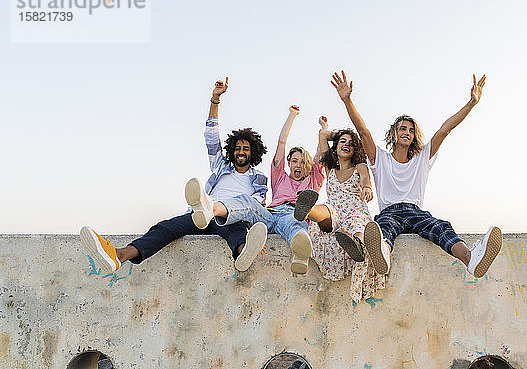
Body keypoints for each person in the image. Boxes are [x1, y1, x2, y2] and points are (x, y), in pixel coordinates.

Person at [80, 77, 269, 274]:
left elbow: (253, 207)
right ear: (232, 151)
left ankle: (244, 252)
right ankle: (118, 256)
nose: (240, 152)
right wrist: (215, 99)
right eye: (237, 148)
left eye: (245, 149)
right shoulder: (221, 167)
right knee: (166, 228)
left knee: (236, 229)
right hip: (200, 216)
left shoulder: (259, 180)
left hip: (228, 219)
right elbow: (211, 137)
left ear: (253, 153)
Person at [330, 70, 502, 278]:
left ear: (414, 136)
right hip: (390, 212)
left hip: (415, 212)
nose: (407, 132)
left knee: (441, 228)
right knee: (382, 228)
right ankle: (383, 253)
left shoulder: (422, 158)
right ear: (394, 133)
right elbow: (363, 131)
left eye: (411, 130)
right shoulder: (379, 159)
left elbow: (444, 130)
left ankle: (470, 259)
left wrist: (471, 103)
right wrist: (348, 100)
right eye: (402, 128)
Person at [185, 105, 327, 274]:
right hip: (270, 213)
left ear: (309, 166)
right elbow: (282, 142)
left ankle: (301, 253)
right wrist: (292, 116)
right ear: (288, 163)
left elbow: (322, 154)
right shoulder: (280, 176)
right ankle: (211, 209)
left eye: (303, 162)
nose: (298, 165)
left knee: (294, 223)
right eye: (294, 161)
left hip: (293, 213)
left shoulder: (313, 180)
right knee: (248, 202)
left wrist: (324, 130)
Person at [294, 126, 386, 304]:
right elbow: (322, 137)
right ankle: (307, 209)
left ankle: (357, 244)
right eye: (342, 142)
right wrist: (331, 133)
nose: (347, 145)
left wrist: (367, 187)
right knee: (326, 211)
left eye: (351, 144)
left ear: (355, 150)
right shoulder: (330, 168)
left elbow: (366, 178)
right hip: (335, 210)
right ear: (335, 146)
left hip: (354, 210)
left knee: (358, 225)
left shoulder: (360, 166)